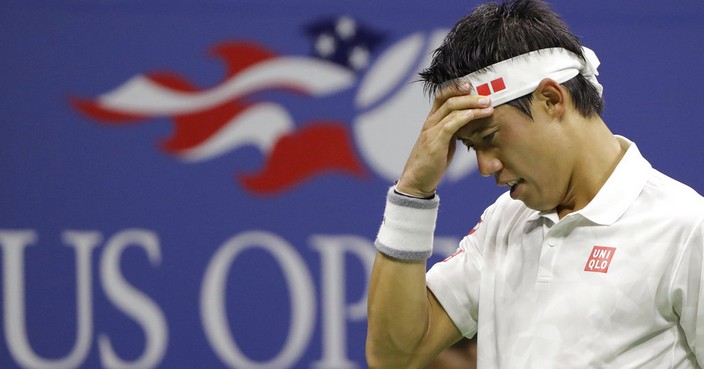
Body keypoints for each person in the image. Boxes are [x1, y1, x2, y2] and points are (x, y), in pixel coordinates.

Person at [365, 0, 704, 368]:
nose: (484, 166)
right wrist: (412, 192)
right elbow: (393, 356)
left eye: (490, 137)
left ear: (551, 99)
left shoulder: (688, 228)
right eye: (472, 148)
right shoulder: (504, 221)